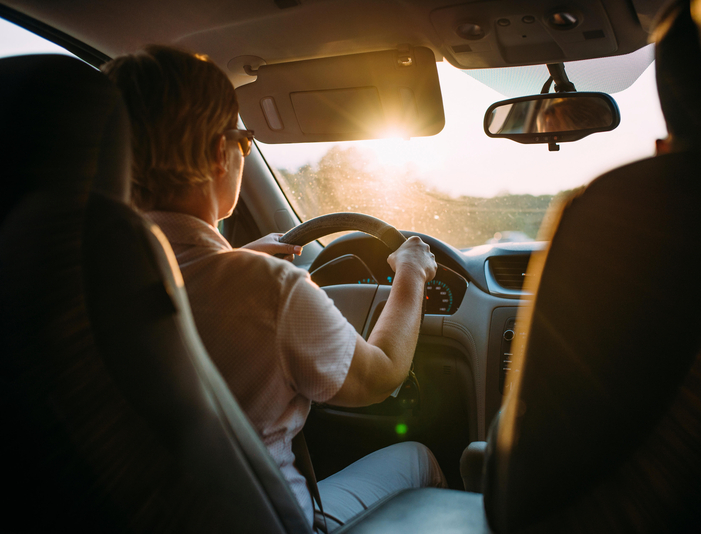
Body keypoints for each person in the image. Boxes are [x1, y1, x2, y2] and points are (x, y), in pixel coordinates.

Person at [102, 45, 446, 530]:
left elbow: (190, 286)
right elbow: (382, 375)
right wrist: (411, 271)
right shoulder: (271, 290)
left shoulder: (77, 282)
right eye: (244, 141)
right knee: (419, 458)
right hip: (272, 520)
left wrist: (235, 262)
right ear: (220, 155)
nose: (242, 152)